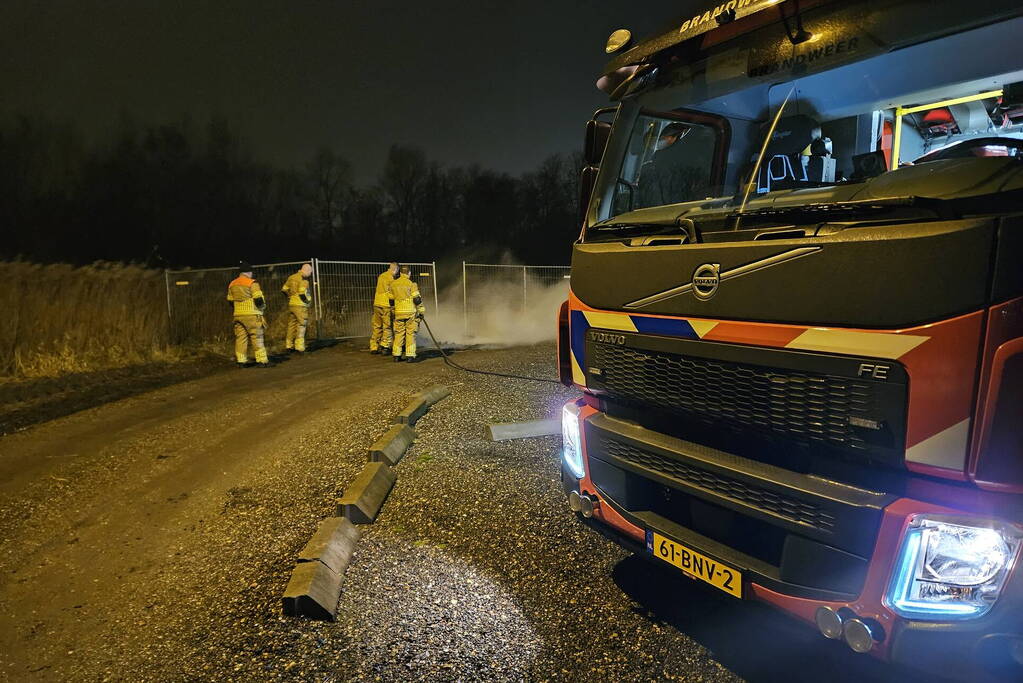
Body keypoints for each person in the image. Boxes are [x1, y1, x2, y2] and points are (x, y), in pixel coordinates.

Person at [227, 261, 270, 368]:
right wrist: (262, 309)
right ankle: (262, 361)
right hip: (252, 314)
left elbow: (230, 300)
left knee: (241, 338)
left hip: (238, 315)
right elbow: (258, 299)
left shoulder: (232, 284)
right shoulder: (252, 283)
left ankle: (241, 361)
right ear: (249, 272)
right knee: (257, 337)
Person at [390, 265, 426, 362]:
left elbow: (391, 300)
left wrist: (393, 311)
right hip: (410, 313)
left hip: (398, 313)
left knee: (399, 333)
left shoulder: (393, 284)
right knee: (410, 333)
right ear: (409, 273)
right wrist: (421, 310)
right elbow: (417, 299)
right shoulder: (411, 284)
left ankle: (396, 355)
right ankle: (410, 356)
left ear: (400, 273)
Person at [282, 263, 313, 353]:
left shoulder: (291, 277)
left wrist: (290, 297)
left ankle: (289, 345)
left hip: (292, 305)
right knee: (301, 325)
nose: (310, 274)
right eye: (310, 272)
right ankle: (299, 347)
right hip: (300, 306)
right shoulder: (304, 280)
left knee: (291, 325)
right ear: (306, 270)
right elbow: (302, 293)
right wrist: (307, 301)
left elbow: (284, 289)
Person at [370, 262, 399, 354]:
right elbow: (392, 293)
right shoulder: (391, 279)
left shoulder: (381, 276)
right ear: (395, 269)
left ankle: (374, 346)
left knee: (377, 326)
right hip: (386, 305)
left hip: (377, 304)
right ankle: (385, 346)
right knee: (387, 326)